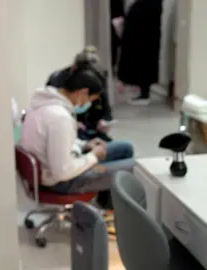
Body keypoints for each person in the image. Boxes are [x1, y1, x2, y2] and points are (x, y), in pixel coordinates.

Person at [23, 61, 134, 210]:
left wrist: (83, 145)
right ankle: (111, 213)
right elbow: (62, 171)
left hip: (56, 168)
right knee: (134, 167)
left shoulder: (42, 106)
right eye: (89, 99)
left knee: (125, 148)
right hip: (63, 182)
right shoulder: (59, 117)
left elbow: (56, 145)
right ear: (82, 92)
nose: (88, 104)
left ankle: (106, 206)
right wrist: (93, 156)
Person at [47, 47, 113, 142]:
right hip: (72, 133)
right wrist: (73, 123)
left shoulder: (97, 80)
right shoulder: (57, 83)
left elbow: (106, 110)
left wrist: (104, 121)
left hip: (90, 130)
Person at [118, 0, 162, 105]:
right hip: (143, 42)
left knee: (144, 67)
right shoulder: (147, 5)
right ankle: (143, 92)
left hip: (143, 43)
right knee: (144, 67)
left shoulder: (148, 5)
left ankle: (144, 94)